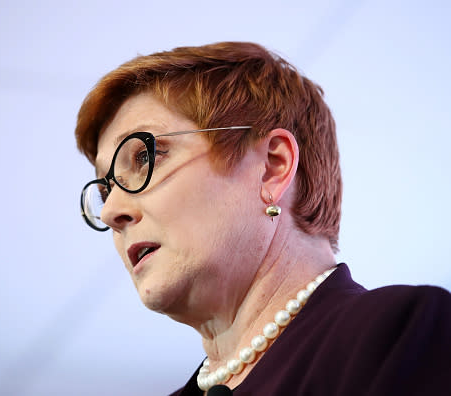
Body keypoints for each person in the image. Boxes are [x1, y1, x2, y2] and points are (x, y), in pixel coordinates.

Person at [74, 42, 451, 395]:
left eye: (144, 158)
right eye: (107, 189)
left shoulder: (404, 337)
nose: (110, 212)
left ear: (273, 167)